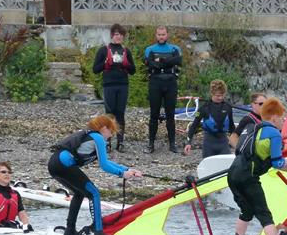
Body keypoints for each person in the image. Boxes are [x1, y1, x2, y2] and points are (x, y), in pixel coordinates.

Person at [226, 97, 287, 235]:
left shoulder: (258, 128)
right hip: (248, 177)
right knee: (264, 214)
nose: (284, 121)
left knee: (247, 211)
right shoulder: (275, 134)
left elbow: (264, 154)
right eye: (282, 118)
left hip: (233, 174)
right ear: (274, 118)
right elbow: (277, 163)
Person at [48, 114, 143, 235]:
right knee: (94, 193)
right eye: (111, 131)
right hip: (63, 164)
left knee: (79, 193)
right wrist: (122, 174)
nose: (111, 135)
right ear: (104, 128)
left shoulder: (91, 136)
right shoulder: (97, 137)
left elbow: (108, 162)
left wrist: (127, 170)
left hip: (54, 164)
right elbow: (104, 166)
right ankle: (99, 233)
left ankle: (70, 230)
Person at [92, 23, 135, 152]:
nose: (119, 37)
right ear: (112, 36)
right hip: (109, 85)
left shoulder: (126, 51)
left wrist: (126, 65)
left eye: (121, 35)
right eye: (116, 34)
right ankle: (107, 142)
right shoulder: (104, 50)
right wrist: (105, 64)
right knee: (109, 114)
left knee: (120, 113)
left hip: (122, 84)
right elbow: (95, 69)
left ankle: (120, 142)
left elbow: (133, 70)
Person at [144, 25, 182, 154]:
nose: (161, 37)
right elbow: (150, 63)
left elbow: (178, 61)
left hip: (171, 83)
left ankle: (172, 144)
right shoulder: (149, 49)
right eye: (159, 34)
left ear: (167, 35)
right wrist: (167, 61)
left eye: (163, 34)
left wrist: (161, 61)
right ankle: (151, 144)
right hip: (155, 83)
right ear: (156, 35)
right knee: (153, 114)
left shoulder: (174, 48)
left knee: (170, 114)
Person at [184, 79, 235, 158]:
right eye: (218, 95)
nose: (220, 97)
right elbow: (194, 126)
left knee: (226, 169)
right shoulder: (204, 108)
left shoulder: (228, 107)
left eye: (222, 95)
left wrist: (237, 144)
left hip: (223, 143)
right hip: (209, 144)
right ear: (212, 94)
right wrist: (188, 142)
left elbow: (232, 127)